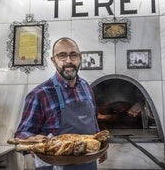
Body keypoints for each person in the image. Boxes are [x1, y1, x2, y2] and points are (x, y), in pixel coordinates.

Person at [14, 37, 107, 170]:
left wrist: (101, 144)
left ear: (80, 58)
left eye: (73, 55)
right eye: (62, 55)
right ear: (53, 60)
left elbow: (93, 122)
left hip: (88, 164)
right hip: (55, 166)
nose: (68, 60)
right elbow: (21, 134)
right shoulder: (40, 94)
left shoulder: (86, 87)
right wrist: (33, 139)